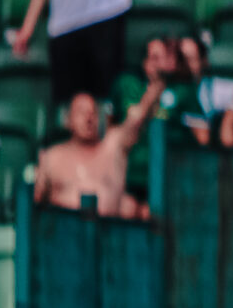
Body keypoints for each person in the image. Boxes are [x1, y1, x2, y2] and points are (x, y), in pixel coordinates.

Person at [33, 82, 161, 219]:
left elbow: (137, 118)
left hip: (111, 235)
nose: (88, 118)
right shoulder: (52, 157)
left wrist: (156, 86)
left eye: (93, 112)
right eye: (81, 112)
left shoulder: (113, 147)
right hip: (64, 235)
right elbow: (36, 204)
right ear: (68, 119)